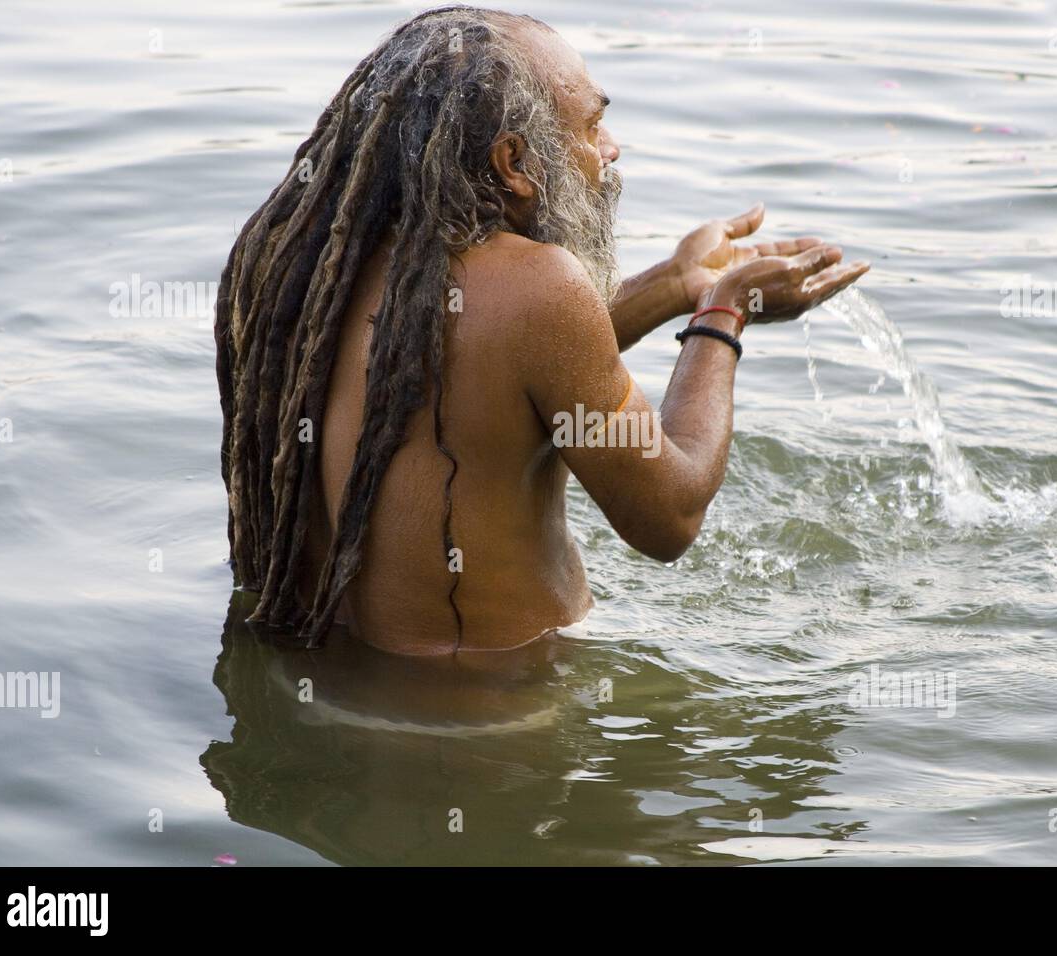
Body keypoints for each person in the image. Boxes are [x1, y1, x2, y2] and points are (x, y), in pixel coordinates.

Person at [214, 5, 868, 656]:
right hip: (501, 731)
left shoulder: (299, 266)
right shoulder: (539, 285)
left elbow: (506, 374)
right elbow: (670, 516)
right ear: (513, 163)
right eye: (592, 125)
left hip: (338, 695)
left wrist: (674, 283)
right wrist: (725, 313)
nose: (610, 150)